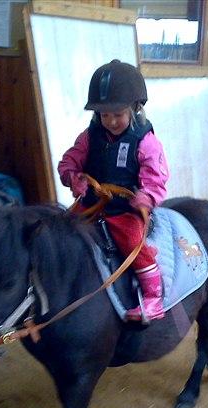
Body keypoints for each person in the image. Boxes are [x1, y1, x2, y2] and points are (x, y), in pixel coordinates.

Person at [58, 59, 169, 322]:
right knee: (63, 232)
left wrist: (147, 197)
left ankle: (153, 298)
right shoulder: (89, 137)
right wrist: (72, 177)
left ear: (135, 109)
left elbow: (156, 176)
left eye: (117, 114)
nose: (110, 121)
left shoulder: (145, 141)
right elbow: (69, 160)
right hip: (92, 204)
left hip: (124, 209)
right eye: (104, 115)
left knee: (131, 239)